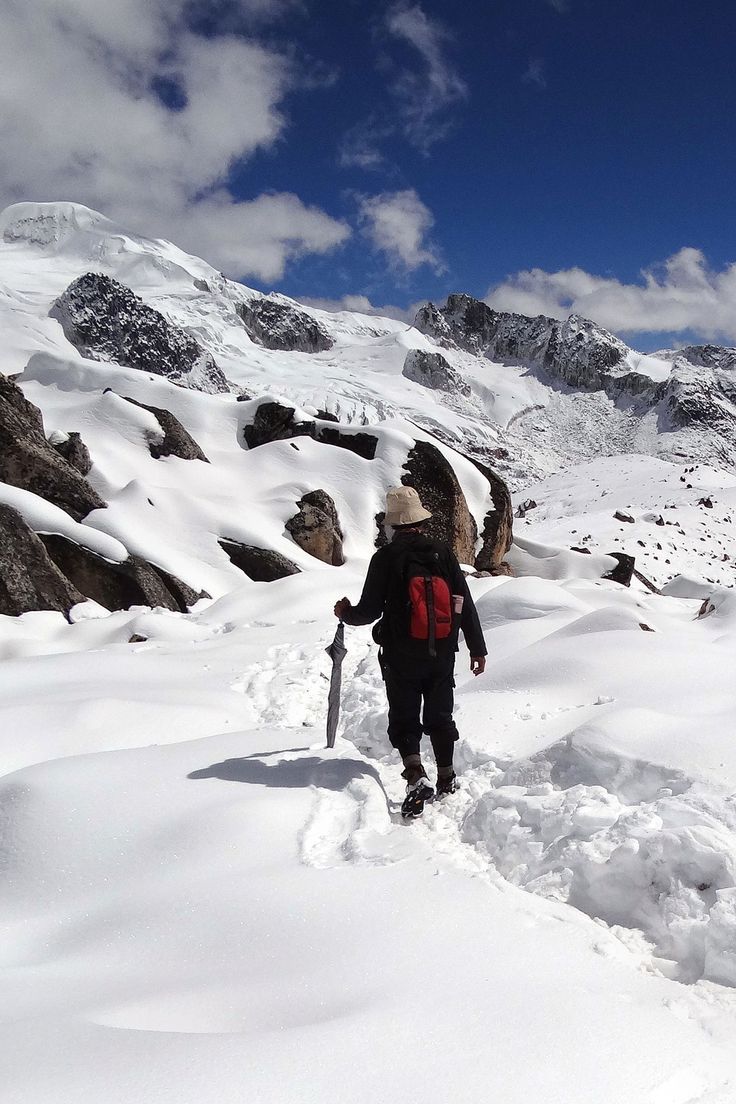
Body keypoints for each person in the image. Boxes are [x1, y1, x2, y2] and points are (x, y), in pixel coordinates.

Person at [334, 485, 487, 819]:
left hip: (401, 654)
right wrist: (477, 648)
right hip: (442, 651)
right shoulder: (442, 552)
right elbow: (463, 601)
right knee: (440, 714)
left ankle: (415, 774)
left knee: (404, 716)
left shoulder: (385, 558)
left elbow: (370, 610)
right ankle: (447, 775)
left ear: (393, 523)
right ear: (420, 518)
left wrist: (345, 613)